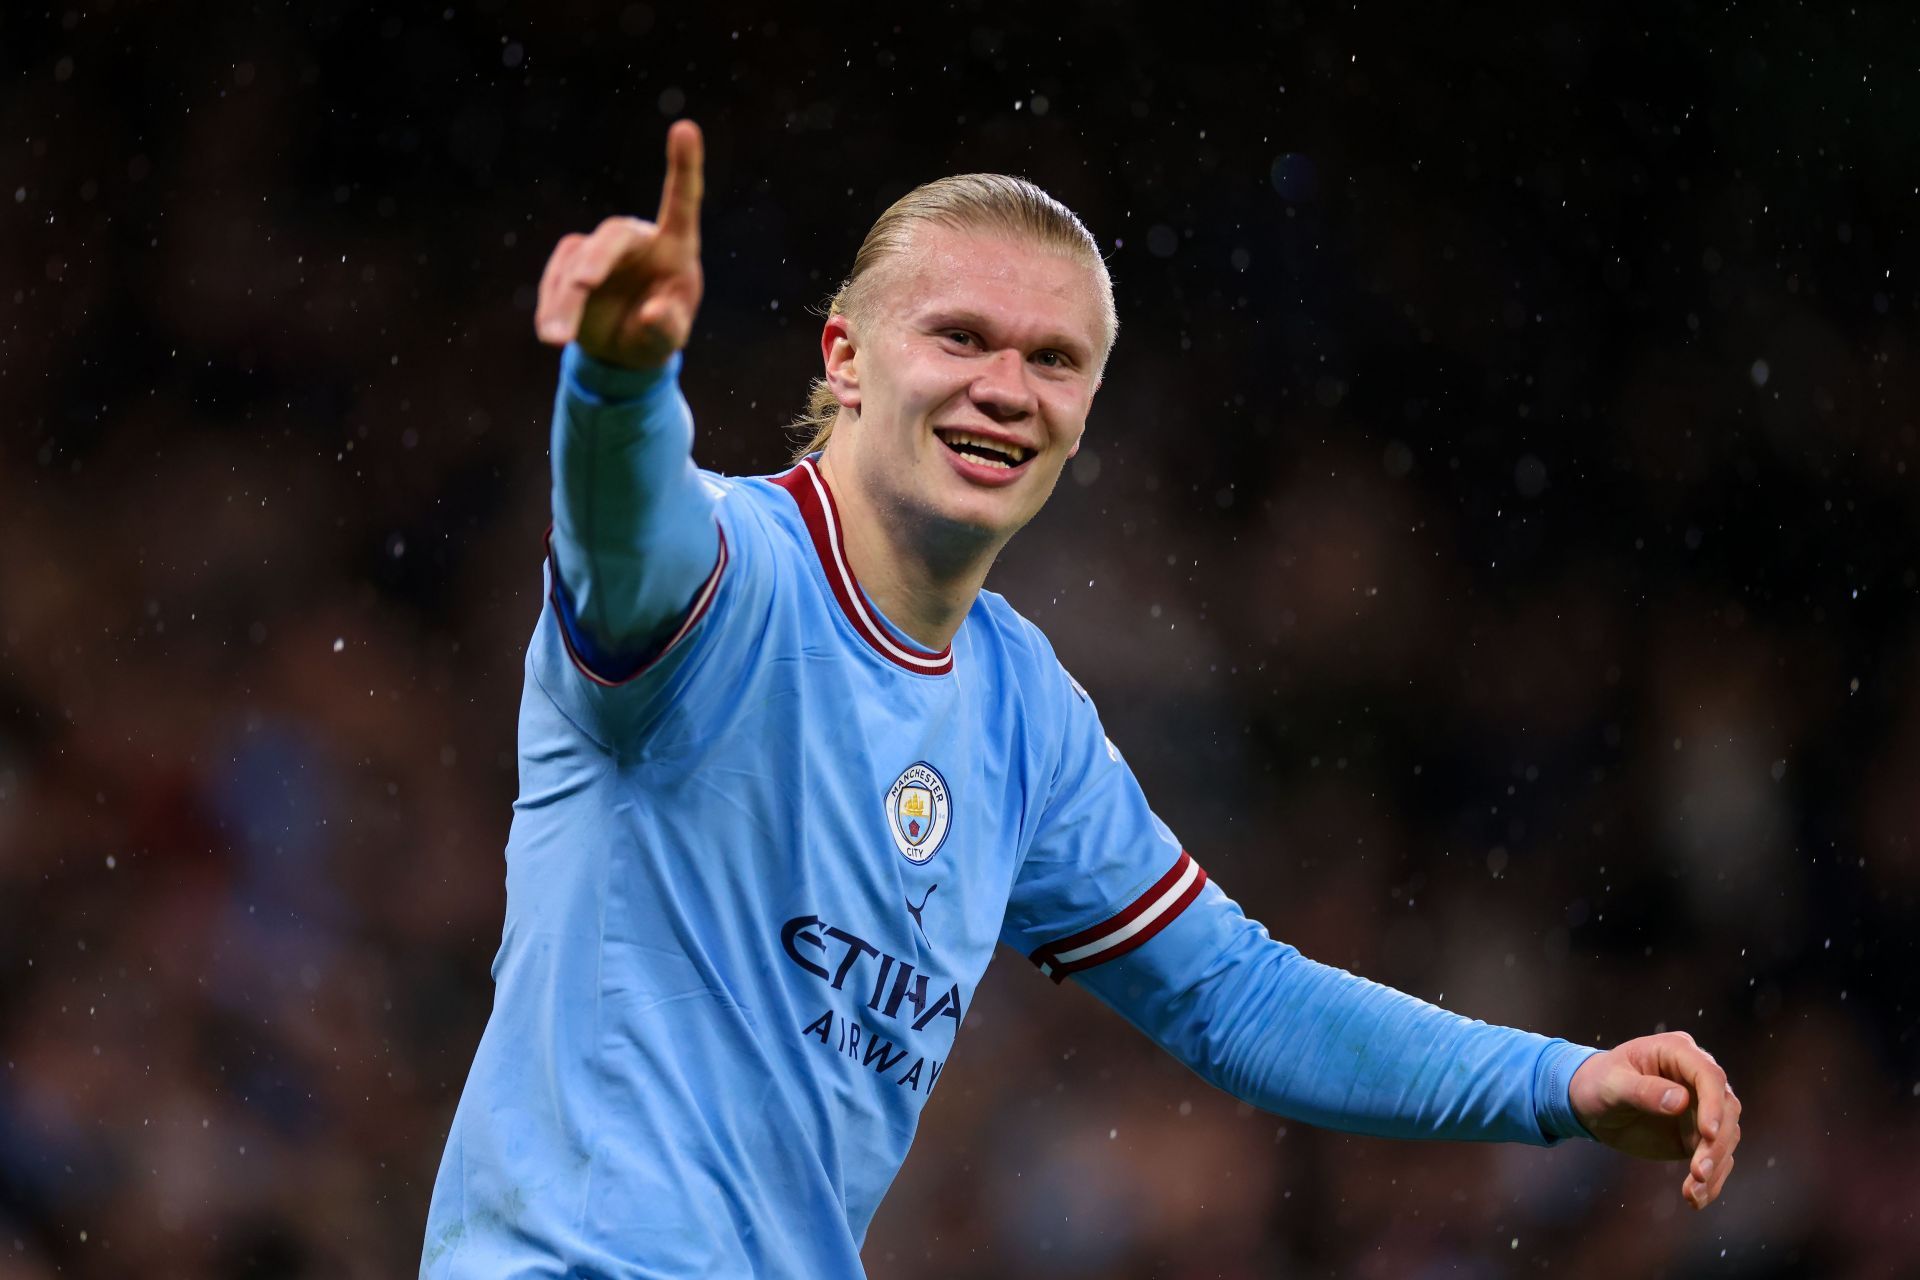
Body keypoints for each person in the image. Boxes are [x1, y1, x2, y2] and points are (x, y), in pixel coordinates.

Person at [420, 120, 1742, 1278]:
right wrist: (618, 382)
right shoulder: (727, 574)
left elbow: (1235, 998)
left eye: (1054, 360)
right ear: (850, 356)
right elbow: (622, 530)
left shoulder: (1021, 712)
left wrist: (1558, 1084)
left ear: (1087, 411)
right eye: (962, 337)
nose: (1007, 388)